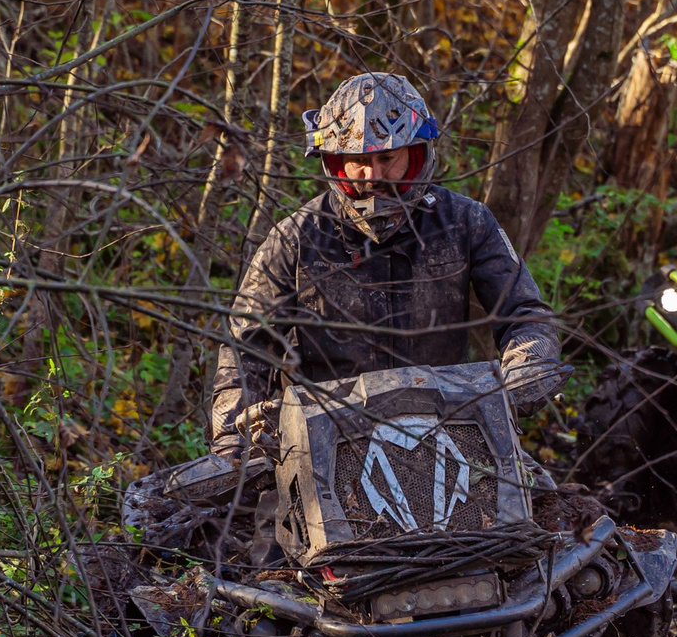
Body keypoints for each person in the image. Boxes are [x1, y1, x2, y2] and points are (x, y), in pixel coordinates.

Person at [208, 72, 564, 459]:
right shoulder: (295, 238)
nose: (373, 175)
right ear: (336, 161)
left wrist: (528, 365)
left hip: (448, 433)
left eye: (387, 158)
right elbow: (245, 346)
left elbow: (525, 312)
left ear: (415, 153)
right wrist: (231, 443)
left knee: (542, 495)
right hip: (326, 445)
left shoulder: (465, 222)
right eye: (359, 161)